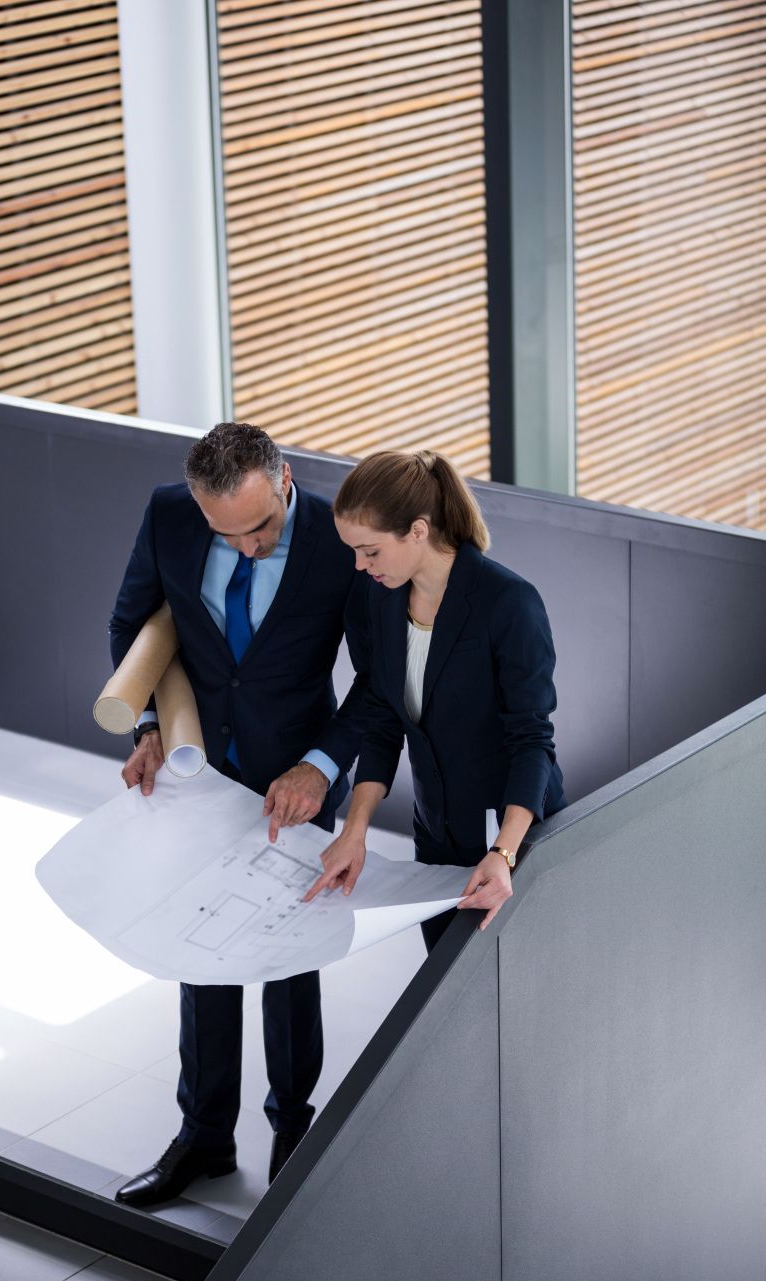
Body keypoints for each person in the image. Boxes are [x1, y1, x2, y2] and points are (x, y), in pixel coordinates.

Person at [109, 422, 370, 1205]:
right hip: (198, 774)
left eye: (260, 527)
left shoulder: (338, 539)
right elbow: (133, 625)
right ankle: (203, 1137)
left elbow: (379, 683)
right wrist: (149, 728)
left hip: (297, 778)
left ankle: (294, 1125)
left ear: (283, 478)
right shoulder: (167, 513)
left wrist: (321, 768)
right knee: (203, 953)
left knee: (289, 961)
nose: (247, 546)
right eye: (228, 532)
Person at [304, 449, 565, 943]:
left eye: (371, 551)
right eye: (353, 552)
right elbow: (382, 718)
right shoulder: (378, 596)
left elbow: (532, 741)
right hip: (436, 836)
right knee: (444, 998)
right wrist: (354, 830)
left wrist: (504, 854)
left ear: (418, 530)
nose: (359, 566)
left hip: (514, 838)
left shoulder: (509, 603)